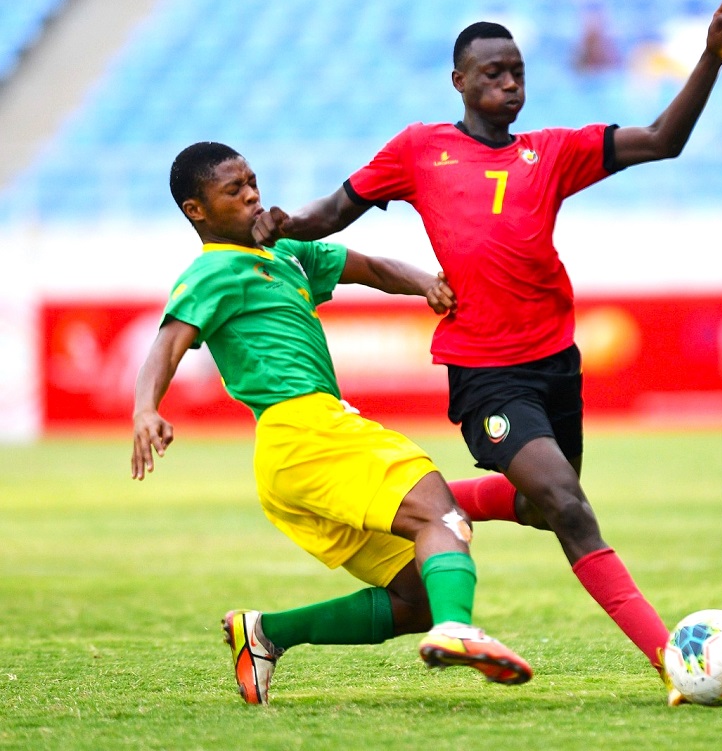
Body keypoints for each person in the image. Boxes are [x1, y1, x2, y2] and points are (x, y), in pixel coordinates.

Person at [251, 0, 722, 705]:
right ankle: (670, 657)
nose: (510, 84)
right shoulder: (417, 149)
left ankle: (424, 503)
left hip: (555, 360)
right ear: (458, 82)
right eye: (492, 73)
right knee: (570, 504)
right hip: (486, 371)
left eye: (517, 72)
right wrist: (281, 223)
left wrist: (711, 57)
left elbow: (661, 140)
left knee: (538, 504)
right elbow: (332, 212)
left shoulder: (551, 151)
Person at [130, 141, 532, 706]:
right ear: (197, 210)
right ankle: (459, 630)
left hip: (296, 454)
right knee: (438, 510)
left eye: (252, 181)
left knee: (415, 598)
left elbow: (367, 267)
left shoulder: (288, 252)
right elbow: (169, 341)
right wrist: (146, 407)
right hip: (304, 429)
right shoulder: (214, 269)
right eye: (233, 190)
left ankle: (268, 633)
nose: (252, 195)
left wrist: (425, 283)